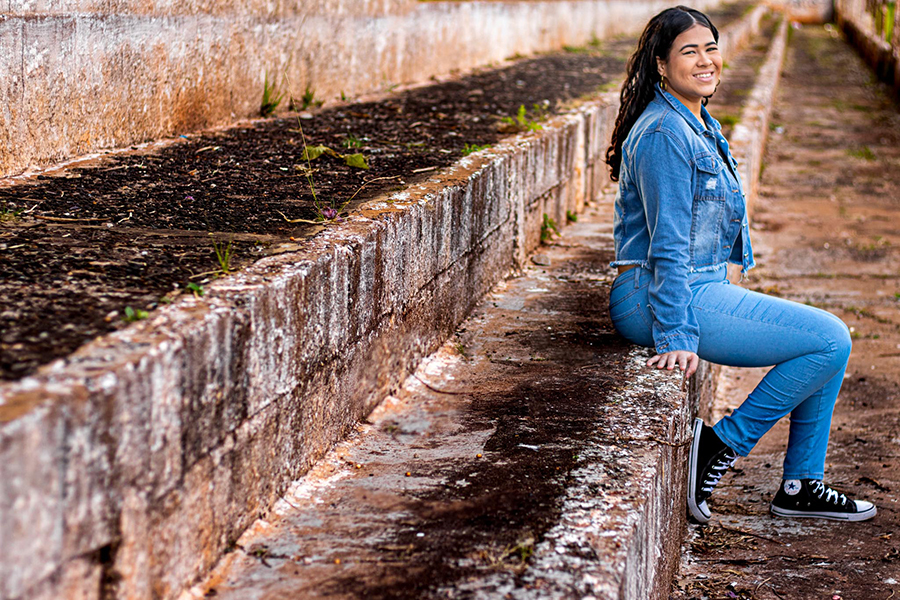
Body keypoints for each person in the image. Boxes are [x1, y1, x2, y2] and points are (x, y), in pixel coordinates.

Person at [605, 6, 876, 523]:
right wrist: (676, 334)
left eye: (711, 48)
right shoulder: (664, 133)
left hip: (693, 285)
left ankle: (801, 484)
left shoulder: (697, 123)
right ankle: (719, 446)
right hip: (657, 294)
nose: (705, 60)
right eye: (689, 51)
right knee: (828, 339)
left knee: (827, 341)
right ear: (661, 64)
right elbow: (667, 245)